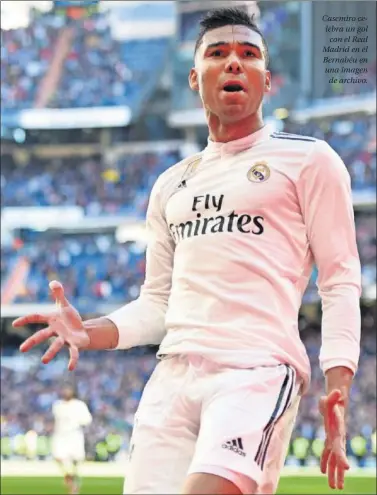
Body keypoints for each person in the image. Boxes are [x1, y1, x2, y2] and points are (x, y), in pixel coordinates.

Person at [13, 8, 361, 495]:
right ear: (196, 78)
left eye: (249, 54)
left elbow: (341, 280)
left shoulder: (309, 160)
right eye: (218, 53)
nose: (234, 63)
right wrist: (89, 332)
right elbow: (157, 305)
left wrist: (338, 385)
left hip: (255, 372)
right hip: (171, 380)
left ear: (267, 80)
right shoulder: (170, 184)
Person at [51, 384, 92, 495]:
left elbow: (87, 420)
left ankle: (74, 484)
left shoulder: (79, 405)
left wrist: (77, 421)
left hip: (74, 435)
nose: (66, 391)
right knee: (59, 458)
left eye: (68, 389)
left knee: (76, 461)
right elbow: (55, 420)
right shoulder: (57, 405)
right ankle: (70, 480)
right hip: (60, 435)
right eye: (64, 389)